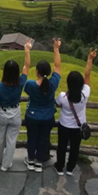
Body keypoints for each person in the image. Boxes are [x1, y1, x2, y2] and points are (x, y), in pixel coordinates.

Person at [54, 47, 96, 176]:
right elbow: (87, 75)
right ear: (81, 84)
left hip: (64, 125)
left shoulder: (63, 96)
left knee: (61, 146)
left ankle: (59, 167)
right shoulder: (84, 95)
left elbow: (56, 103)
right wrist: (90, 59)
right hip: (78, 127)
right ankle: (70, 168)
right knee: (74, 148)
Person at [24, 38, 62, 173]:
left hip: (32, 116)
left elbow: (25, 70)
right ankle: (39, 161)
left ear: (37, 71)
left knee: (32, 138)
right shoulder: (53, 84)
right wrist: (56, 49)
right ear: (49, 72)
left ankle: (30, 160)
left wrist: (27, 51)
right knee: (43, 139)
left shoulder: (30, 85)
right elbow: (58, 66)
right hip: (48, 117)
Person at [0, 39, 32, 172]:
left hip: (2, 113)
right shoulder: (20, 82)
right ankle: (6, 164)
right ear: (16, 72)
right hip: (15, 113)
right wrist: (26, 50)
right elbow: (27, 66)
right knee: (11, 140)